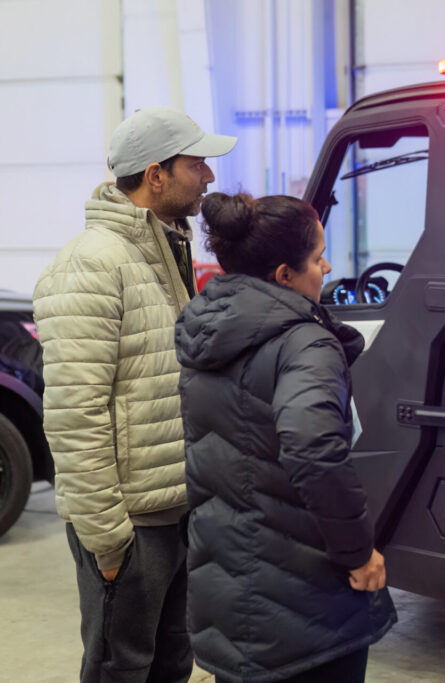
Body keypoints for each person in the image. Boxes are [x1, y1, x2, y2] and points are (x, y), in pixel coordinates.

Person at [33, 106, 236, 681]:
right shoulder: (91, 265)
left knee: (173, 662)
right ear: (156, 175)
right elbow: (75, 414)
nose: (209, 177)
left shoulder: (163, 253)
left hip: (175, 508)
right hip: (130, 522)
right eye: (197, 164)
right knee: (120, 668)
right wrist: (108, 536)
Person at [175, 192, 396, 682]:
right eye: (317, 258)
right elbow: (313, 448)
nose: (327, 266)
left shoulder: (206, 328)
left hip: (227, 579)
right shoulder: (304, 342)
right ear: (283, 275)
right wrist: (358, 552)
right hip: (301, 600)